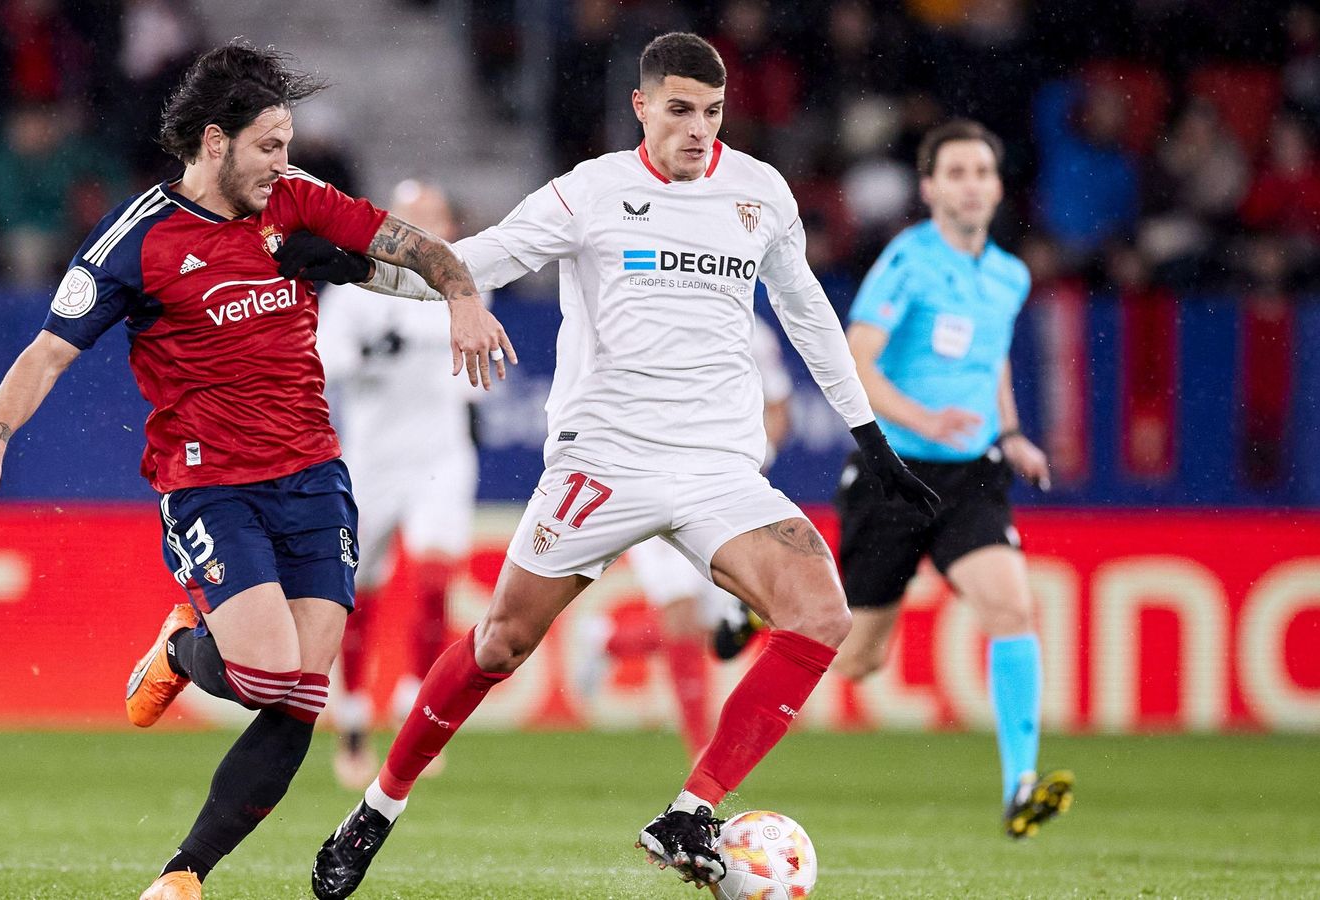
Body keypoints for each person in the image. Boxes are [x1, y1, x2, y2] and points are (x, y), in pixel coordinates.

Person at [294, 33, 937, 897]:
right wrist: (354, 267)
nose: (698, 130)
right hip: (604, 460)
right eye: (678, 110)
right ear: (641, 107)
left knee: (821, 613)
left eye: (711, 112)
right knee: (501, 640)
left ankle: (691, 811)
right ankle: (376, 807)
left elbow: (809, 314)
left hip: (717, 465)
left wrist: (867, 433)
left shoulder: (760, 194)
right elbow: (476, 262)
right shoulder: (591, 191)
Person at [0, 41, 514, 900]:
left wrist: (461, 295)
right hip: (210, 483)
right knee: (269, 673)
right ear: (214, 141)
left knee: (299, 700)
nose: (285, 165)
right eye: (269, 147)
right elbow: (49, 352)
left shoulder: (298, 208)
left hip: (314, 477)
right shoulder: (139, 240)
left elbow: (419, 249)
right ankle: (178, 647)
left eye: (289, 146)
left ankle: (183, 874)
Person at [830, 118, 1073, 839]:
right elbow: (854, 360)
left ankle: (1018, 786)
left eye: (983, 172)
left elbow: (990, 358)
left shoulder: (1009, 275)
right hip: (893, 474)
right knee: (857, 660)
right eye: (956, 172)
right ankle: (762, 611)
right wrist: (920, 417)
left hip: (971, 475)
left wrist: (1010, 433)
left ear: (998, 188)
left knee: (1012, 607)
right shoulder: (906, 261)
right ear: (930, 187)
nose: (971, 184)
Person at [314, 179, 482, 789]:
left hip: (440, 456)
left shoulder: (461, 286)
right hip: (372, 461)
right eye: (414, 217)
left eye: (436, 216)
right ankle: (354, 725)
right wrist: (371, 352)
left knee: (435, 581)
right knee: (357, 594)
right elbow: (327, 361)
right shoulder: (357, 290)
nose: (427, 228)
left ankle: (418, 718)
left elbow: (474, 372)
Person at [581, 313, 792, 759]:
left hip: (726, 493)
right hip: (657, 484)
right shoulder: (654, 319)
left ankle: (610, 640)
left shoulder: (756, 335)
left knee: (709, 632)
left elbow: (778, 408)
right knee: (680, 614)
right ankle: (703, 749)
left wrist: (756, 457)